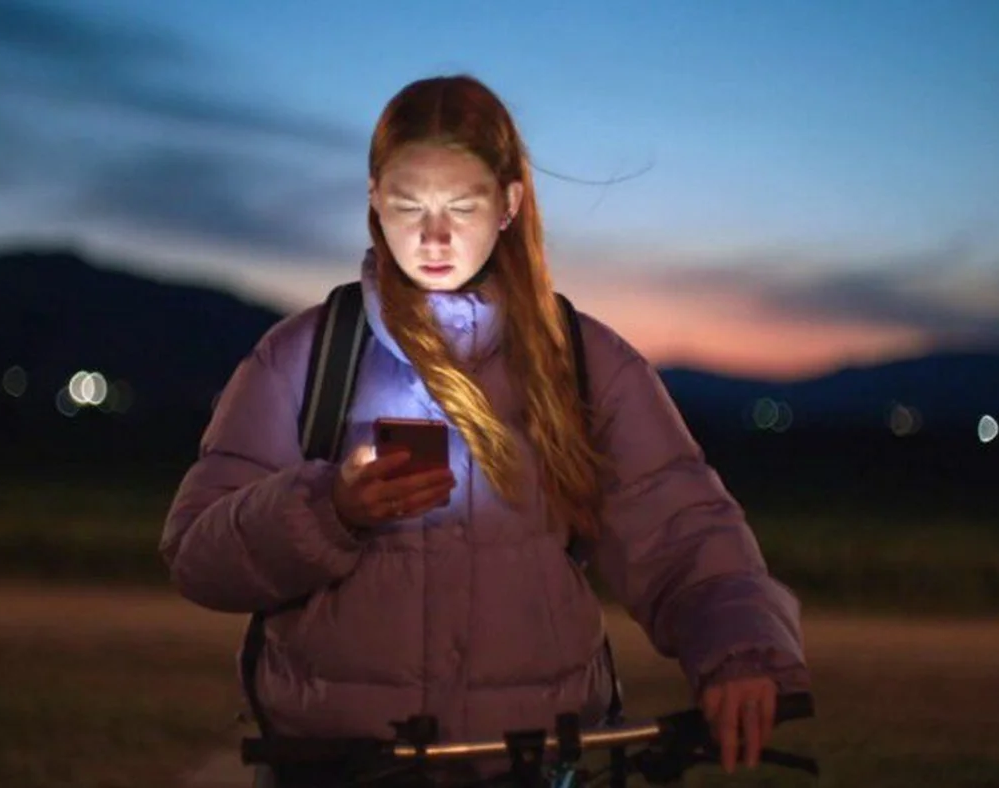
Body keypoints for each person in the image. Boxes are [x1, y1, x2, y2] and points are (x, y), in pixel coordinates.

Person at [160, 74, 810, 786]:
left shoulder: (585, 363)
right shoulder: (306, 356)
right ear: (374, 200)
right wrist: (328, 508)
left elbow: (683, 535)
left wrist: (740, 654)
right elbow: (198, 554)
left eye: (461, 207)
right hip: (340, 766)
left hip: (531, 766)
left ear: (509, 204)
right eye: (407, 205)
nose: (432, 236)